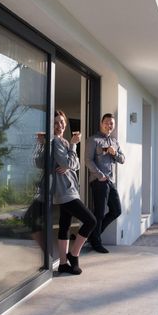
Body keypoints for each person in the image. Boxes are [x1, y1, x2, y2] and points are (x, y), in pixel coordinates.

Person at [52, 110, 96, 274]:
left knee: (65, 226)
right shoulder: (56, 142)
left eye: (62, 122)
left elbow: (76, 165)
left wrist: (69, 161)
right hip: (65, 191)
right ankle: (74, 254)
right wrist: (73, 146)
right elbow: (68, 161)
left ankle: (63, 264)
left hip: (70, 189)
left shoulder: (63, 141)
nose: (60, 125)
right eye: (56, 122)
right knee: (91, 221)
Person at [85, 113, 125, 253]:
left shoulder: (114, 141)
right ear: (101, 124)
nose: (109, 125)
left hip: (110, 181)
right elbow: (88, 161)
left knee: (116, 210)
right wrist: (100, 176)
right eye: (107, 122)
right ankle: (96, 242)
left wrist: (114, 153)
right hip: (98, 181)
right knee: (99, 213)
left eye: (111, 124)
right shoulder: (93, 140)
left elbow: (122, 159)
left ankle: (91, 235)